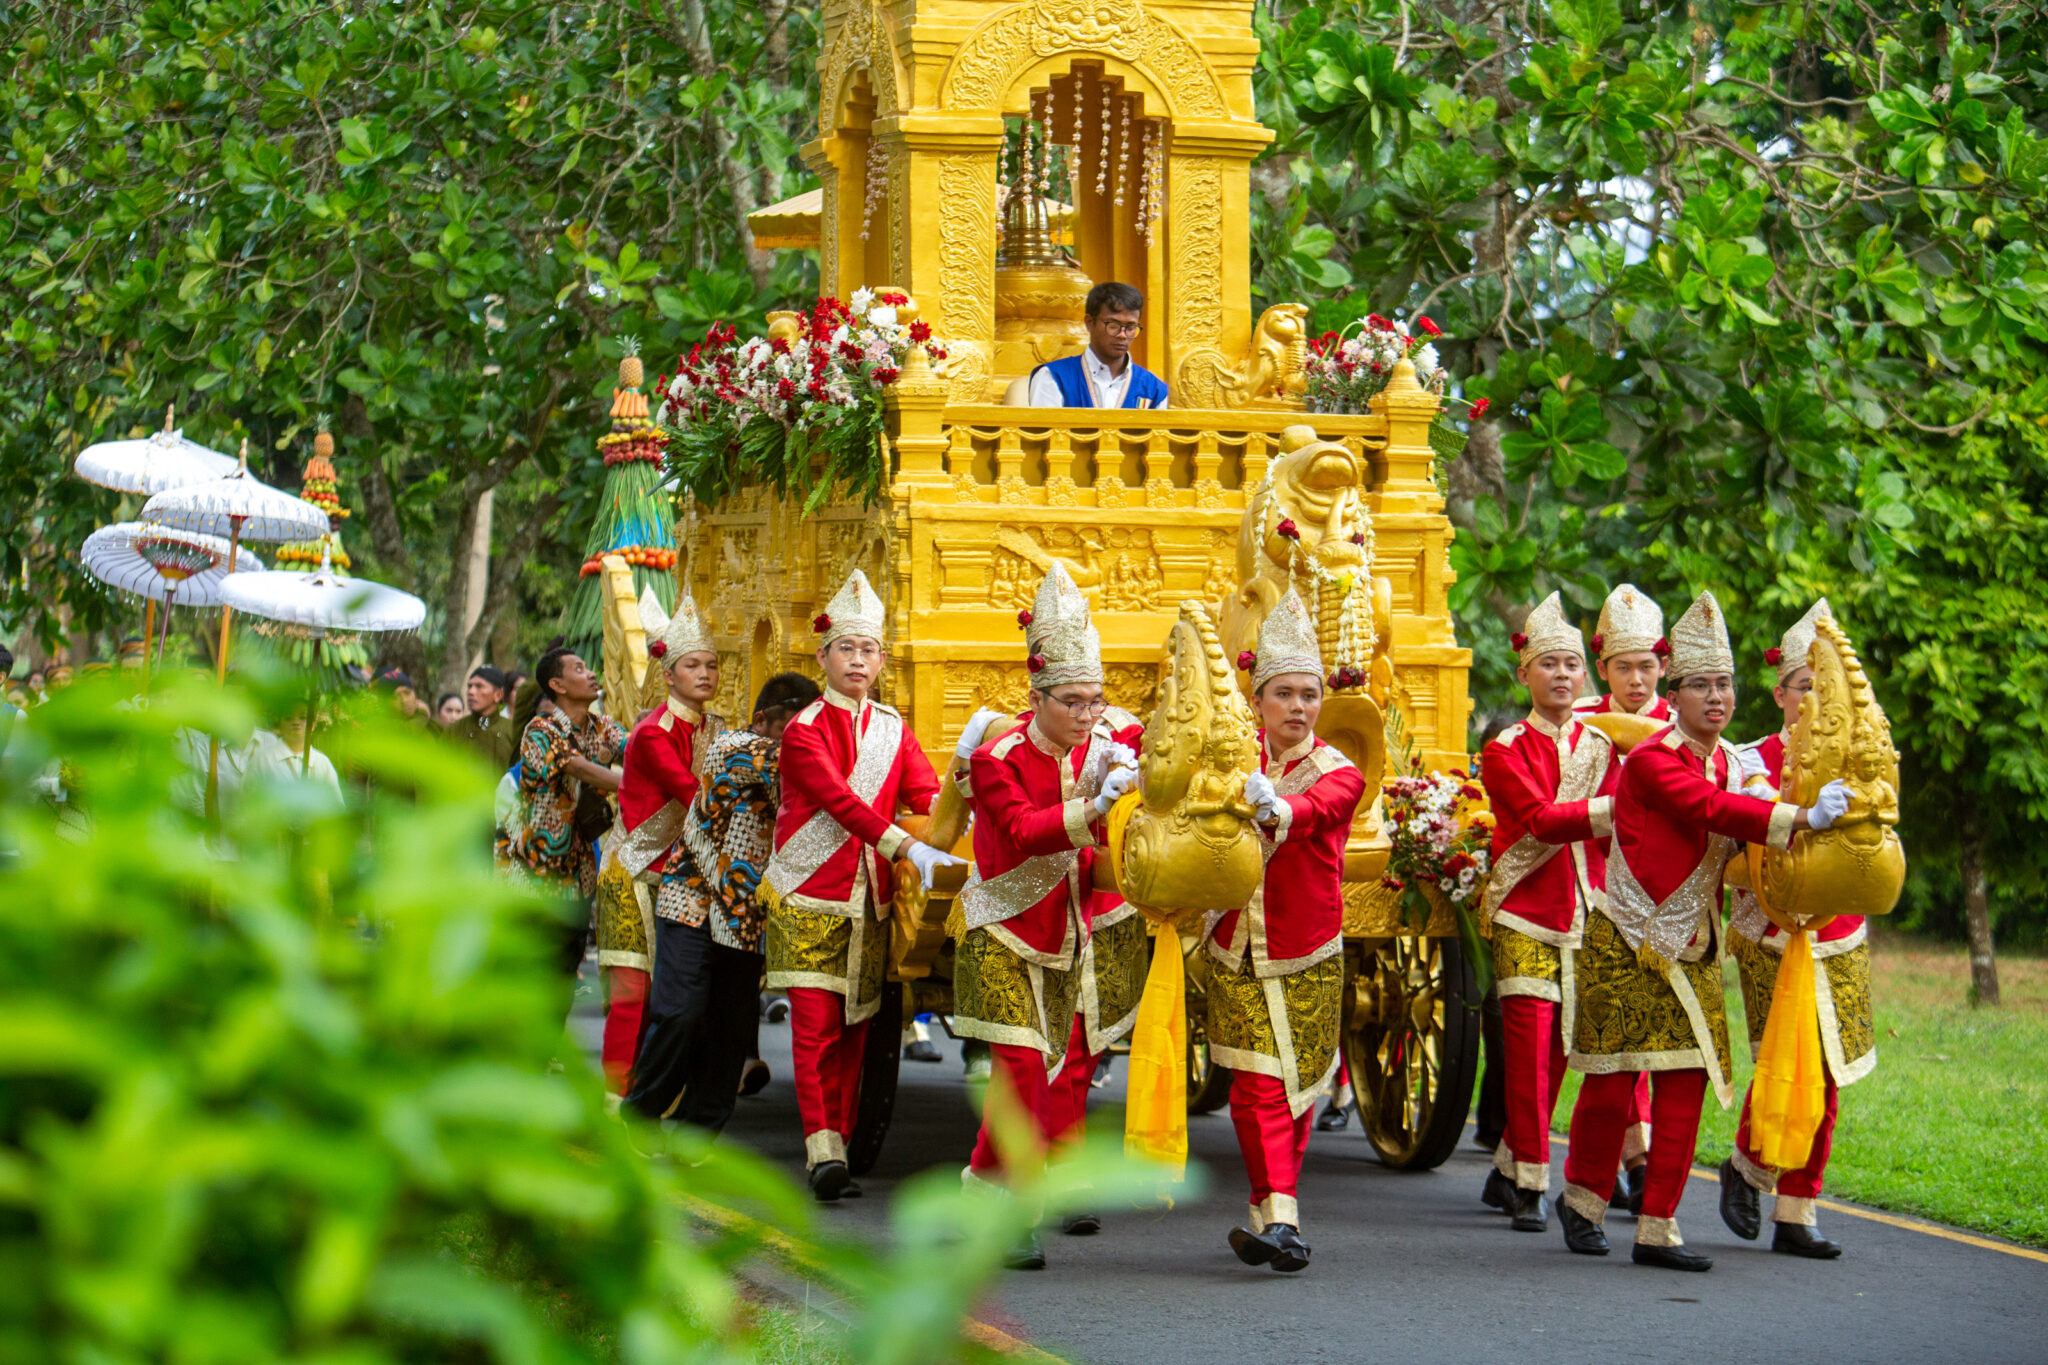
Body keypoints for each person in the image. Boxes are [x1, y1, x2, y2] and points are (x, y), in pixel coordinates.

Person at [1556, 592, 1850, 1271]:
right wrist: (1799, 817)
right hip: (1629, 940)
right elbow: (1709, 809)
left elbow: (1737, 818)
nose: (1715, 697)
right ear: (1676, 691)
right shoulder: (1656, 758)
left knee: (1688, 1082)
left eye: (1724, 684)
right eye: (1701, 685)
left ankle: (1658, 1225)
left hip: (1693, 945)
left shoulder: (1729, 762)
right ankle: (1582, 1197)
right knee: (1612, 1081)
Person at [951, 565, 1138, 1269]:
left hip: (1073, 931)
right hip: (1003, 927)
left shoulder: (1107, 745)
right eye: (1074, 702)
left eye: (1096, 701)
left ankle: (983, 1188)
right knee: (1022, 1067)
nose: (1089, 715)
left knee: (1049, 1068)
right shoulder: (998, 757)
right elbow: (1027, 831)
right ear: (1037, 698)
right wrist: (1096, 808)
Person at [762, 569, 957, 1201]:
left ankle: (837, 1149)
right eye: (846, 648)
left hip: (867, 901)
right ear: (823, 657)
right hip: (808, 894)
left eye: (868, 649)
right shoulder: (803, 731)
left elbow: (926, 794)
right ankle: (822, 1151)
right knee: (815, 1027)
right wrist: (909, 846)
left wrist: (965, 804)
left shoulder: (894, 730)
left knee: (855, 1030)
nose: (858, 659)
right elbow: (841, 804)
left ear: (879, 660)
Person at [1207, 591, 1364, 1275]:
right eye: (1284, 694)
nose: (1298, 706)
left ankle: (1271, 1209)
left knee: (1300, 1084)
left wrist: (1280, 807)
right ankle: (1282, 1214)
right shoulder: (1225, 757)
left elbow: (1322, 807)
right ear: (1258, 696)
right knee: (1257, 1080)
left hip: (1306, 946)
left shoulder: (1340, 770)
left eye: (1309, 694)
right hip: (1235, 943)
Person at [1719, 598, 1873, 1259]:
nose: (1815, 697)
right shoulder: (1750, 758)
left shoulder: (1861, 757)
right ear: (1781, 692)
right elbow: (1738, 840)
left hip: (1840, 929)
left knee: (1830, 1069)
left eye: (1825, 685)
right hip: (1770, 929)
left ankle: (1796, 1208)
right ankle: (1750, 1162)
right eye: (1805, 685)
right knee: (1785, 1059)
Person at [1475, 594, 1618, 1234]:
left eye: (1571, 665)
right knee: (1529, 1047)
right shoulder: (1504, 748)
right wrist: (1617, 808)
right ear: (1524, 675)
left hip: (1586, 909)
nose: (1562, 675)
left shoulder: (1606, 745)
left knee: (1562, 1051)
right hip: (1523, 908)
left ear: (1585, 676)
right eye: (1549, 665)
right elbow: (1537, 821)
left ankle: (1507, 1162)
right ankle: (1531, 1182)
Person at [628, 670, 821, 1135]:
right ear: (762, 721)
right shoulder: (735, 747)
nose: (804, 739)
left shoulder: (799, 758)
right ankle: (639, 1115)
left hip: (746, 911)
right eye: (794, 727)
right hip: (691, 894)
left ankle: (698, 1132)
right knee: (679, 1013)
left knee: (729, 1027)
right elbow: (806, 775)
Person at [606, 597, 724, 1099]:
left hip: (682, 879)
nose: (704, 673)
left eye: (711, 665)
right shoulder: (653, 733)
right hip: (634, 873)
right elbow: (696, 795)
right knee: (633, 995)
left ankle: (655, 1101)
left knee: (673, 998)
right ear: (668, 674)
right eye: (692, 665)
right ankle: (615, 1103)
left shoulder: (714, 728)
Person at [503, 648, 627, 977]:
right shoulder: (540, 729)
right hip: (537, 874)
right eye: (579, 668)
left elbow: (635, 748)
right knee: (534, 973)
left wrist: (654, 726)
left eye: (589, 667)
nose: (590, 673)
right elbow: (578, 767)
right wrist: (630, 784)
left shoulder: (603, 728)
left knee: (565, 970)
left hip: (579, 874)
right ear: (557, 684)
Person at [1025, 282, 1170, 410]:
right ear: (1089, 323)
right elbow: (1045, 438)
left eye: (1131, 327)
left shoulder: (1154, 389)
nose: (1122, 335)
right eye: (1113, 326)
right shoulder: (1053, 377)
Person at [450, 664, 516, 770]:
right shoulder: (454, 730)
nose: (471, 692)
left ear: (498, 695)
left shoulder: (513, 731)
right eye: (469, 686)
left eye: (479, 686)